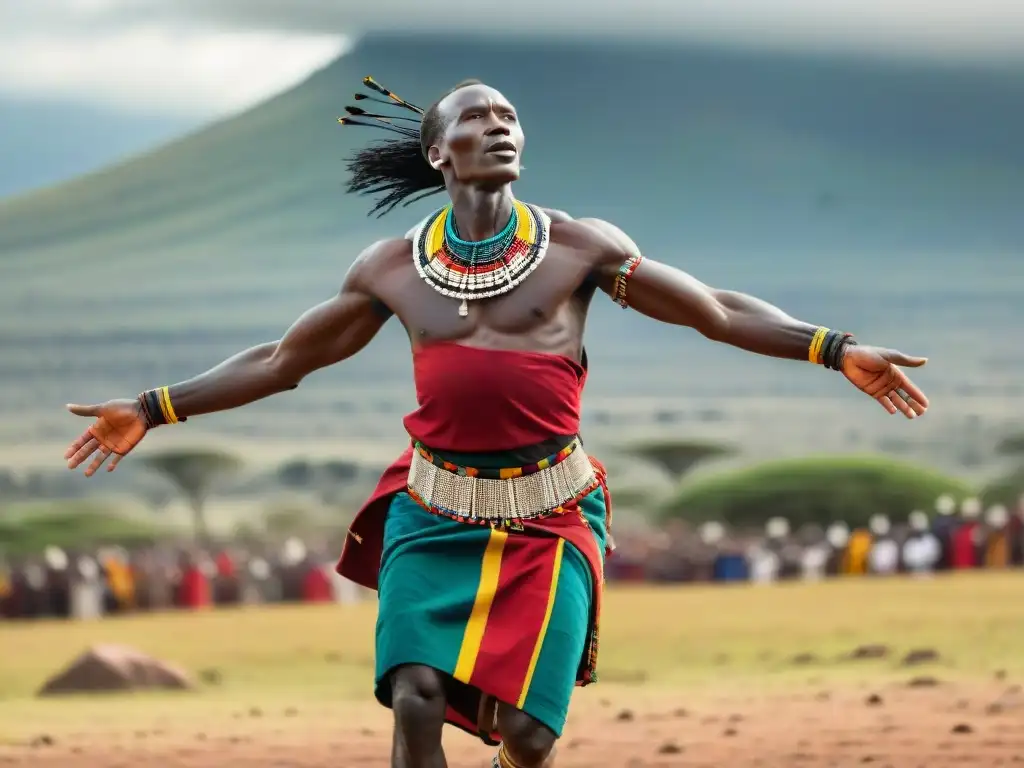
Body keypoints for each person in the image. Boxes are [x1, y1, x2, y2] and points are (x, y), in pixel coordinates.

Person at [62, 76, 929, 768]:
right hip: (431, 507)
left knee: (529, 735)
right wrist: (150, 408)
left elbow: (712, 310)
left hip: (550, 512)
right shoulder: (391, 268)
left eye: (510, 115)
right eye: (477, 117)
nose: (501, 125)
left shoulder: (578, 248)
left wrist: (831, 346)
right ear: (439, 150)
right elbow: (282, 361)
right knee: (414, 697)